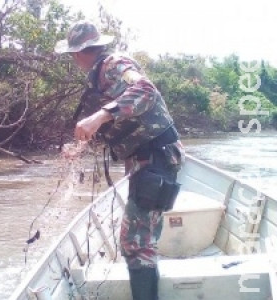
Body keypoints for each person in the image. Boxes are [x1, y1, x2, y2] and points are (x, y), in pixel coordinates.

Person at [55, 21, 184, 300]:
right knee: (137, 243)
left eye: (73, 55)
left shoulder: (115, 64)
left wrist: (101, 115)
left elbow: (146, 90)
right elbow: (115, 126)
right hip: (145, 160)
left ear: (79, 53)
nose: (74, 60)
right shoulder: (98, 79)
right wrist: (79, 144)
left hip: (157, 157)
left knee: (136, 244)